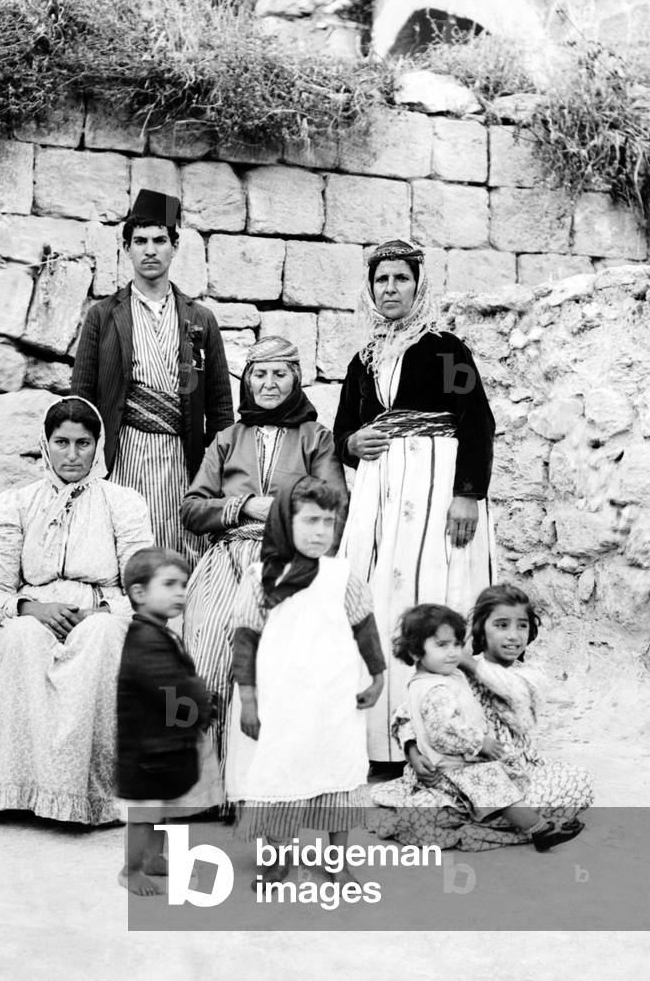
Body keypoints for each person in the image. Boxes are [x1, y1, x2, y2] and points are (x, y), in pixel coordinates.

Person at [334, 238, 496, 765]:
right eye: (381, 279)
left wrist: (467, 494)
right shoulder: (363, 360)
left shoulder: (446, 350)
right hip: (379, 495)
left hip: (435, 489)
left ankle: (446, 739)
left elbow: (477, 420)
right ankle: (378, 741)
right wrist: (353, 443)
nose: (390, 288)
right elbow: (343, 431)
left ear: (418, 286)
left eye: (401, 278)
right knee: (375, 593)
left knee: (433, 586)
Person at [0, 396, 154, 825]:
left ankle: (83, 793)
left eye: (83, 443)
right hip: (36, 612)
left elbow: (143, 591)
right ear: (45, 445)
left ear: (98, 446)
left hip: (101, 614)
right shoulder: (17, 504)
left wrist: (100, 612)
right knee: (21, 638)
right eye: (61, 442)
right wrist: (31, 607)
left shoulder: (123, 503)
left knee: (98, 640)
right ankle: (16, 787)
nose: (72, 455)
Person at [180, 336, 347, 783]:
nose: (269, 384)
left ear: (296, 379)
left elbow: (334, 506)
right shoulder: (227, 439)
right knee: (208, 649)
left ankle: (264, 785)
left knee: (277, 662)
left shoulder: (316, 438)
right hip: (228, 558)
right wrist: (243, 507)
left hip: (287, 560)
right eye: (259, 374)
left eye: (279, 374)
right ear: (247, 382)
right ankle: (206, 782)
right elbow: (192, 509)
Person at [228, 477, 386, 884]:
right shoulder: (261, 577)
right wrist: (249, 701)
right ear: (285, 521)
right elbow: (245, 639)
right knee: (283, 772)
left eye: (328, 522)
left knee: (338, 771)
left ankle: (338, 860)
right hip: (281, 701)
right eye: (310, 521)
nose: (320, 532)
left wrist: (377, 677)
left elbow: (364, 626)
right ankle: (279, 857)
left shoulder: (342, 576)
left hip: (334, 699)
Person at [71, 188, 234, 565]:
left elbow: (220, 407)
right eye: (140, 241)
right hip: (123, 453)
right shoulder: (104, 316)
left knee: (179, 551)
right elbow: (81, 399)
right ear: (126, 248)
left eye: (159, 240)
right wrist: (84, 462)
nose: (149, 250)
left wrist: (219, 472)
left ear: (174, 247)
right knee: (121, 547)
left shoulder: (200, 319)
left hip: (181, 456)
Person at [371, 588, 593, 850]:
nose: (513, 635)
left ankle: (511, 823)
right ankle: (524, 825)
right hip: (457, 773)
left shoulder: (530, 676)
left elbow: (512, 692)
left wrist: (468, 664)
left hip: (516, 770)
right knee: (434, 806)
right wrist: (412, 752)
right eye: (501, 625)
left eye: (522, 626)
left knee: (576, 780)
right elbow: (408, 713)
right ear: (480, 629)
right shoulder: (449, 672)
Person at [117, 548, 222, 896]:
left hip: (163, 744)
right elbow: (170, 688)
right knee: (144, 815)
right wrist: (202, 704)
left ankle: (153, 858)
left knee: (162, 807)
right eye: (170, 584)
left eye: (183, 585)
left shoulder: (159, 632)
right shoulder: (145, 639)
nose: (180, 592)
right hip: (146, 748)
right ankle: (131, 870)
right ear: (139, 592)